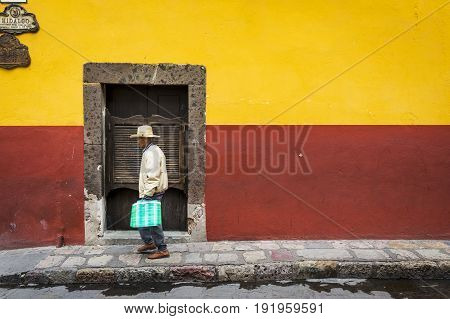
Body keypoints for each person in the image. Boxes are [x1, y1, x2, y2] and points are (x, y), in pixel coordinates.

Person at [130, 125, 170, 259]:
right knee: (144, 219)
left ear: (144, 139)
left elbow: (153, 176)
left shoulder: (151, 152)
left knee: (153, 221)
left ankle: (162, 249)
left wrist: (147, 194)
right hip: (150, 191)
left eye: (138, 139)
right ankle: (149, 242)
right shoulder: (150, 150)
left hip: (152, 191)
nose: (137, 142)